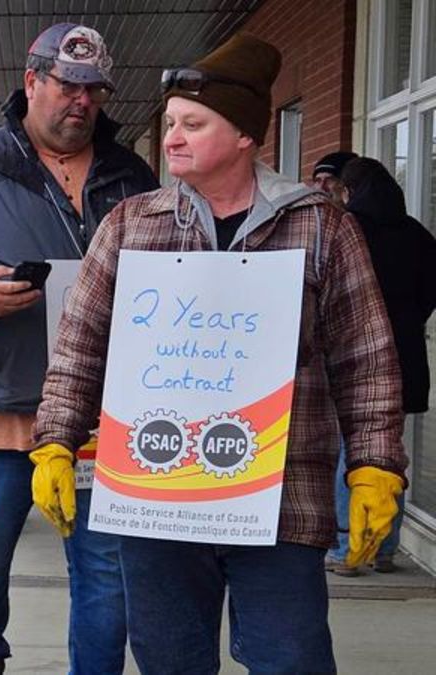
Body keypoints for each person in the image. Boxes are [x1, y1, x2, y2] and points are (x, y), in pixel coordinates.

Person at [31, 34, 408, 673]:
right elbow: (80, 344)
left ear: (243, 136)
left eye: (192, 124)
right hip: (158, 497)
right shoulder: (132, 223)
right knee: (169, 661)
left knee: (292, 660)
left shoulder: (320, 226)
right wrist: (55, 441)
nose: (172, 137)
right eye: (171, 122)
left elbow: (366, 358)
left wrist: (374, 466)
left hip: (282, 498)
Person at [0, 23, 157, 674]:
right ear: (32, 81)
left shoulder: (132, 174)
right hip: (5, 403)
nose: (82, 100)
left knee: (104, 567)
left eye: (94, 89)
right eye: (68, 85)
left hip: (104, 411)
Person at [325, 157, 436, 575]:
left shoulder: (347, 232)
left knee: (350, 454)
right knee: (389, 456)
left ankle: (346, 548)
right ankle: (385, 546)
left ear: (350, 191)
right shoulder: (417, 235)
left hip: (353, 359)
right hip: (405, 358)